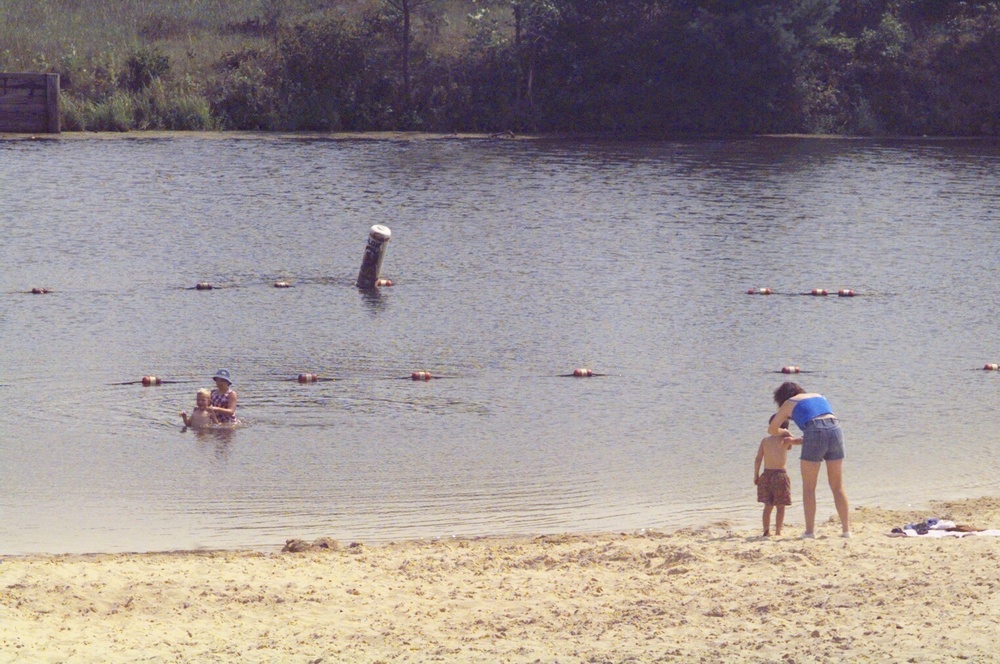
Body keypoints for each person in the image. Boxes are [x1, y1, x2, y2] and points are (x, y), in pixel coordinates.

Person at [769, 381, 851, 539]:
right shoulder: (819, 396)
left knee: (809, 488)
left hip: (814, 432)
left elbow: (772, 429)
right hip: (836, 430)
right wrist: (796, 441)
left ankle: (809, 531)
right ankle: (846, 530)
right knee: (837, 486)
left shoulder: (789, 403)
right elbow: (822, 427)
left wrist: (784, 432)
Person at [754, 415, 802, 536]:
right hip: (780, 475)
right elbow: (791, 445)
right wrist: (787, 432)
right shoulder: (786, 440)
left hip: (766, 474)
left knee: (768, 506)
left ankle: (766, 530)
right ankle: (778, 531)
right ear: (786, 428)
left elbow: (758, 459)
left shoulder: (765, 441)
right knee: (781, 507)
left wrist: (756, 474)